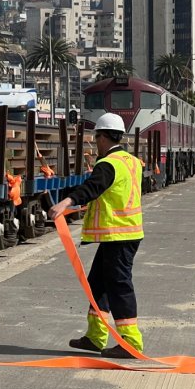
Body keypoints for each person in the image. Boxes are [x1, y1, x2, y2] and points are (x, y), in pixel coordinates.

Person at [47, 113, 144, 359]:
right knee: (98, 284)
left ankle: (130, 343)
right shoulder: (131, 161)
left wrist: (66, 203)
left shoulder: (108, 164)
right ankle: (95, 337)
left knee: (119, 287)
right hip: (123, 233)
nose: (95, 141)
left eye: (96, 136)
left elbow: (93, 188)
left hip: (118, 234)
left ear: (103, 137)